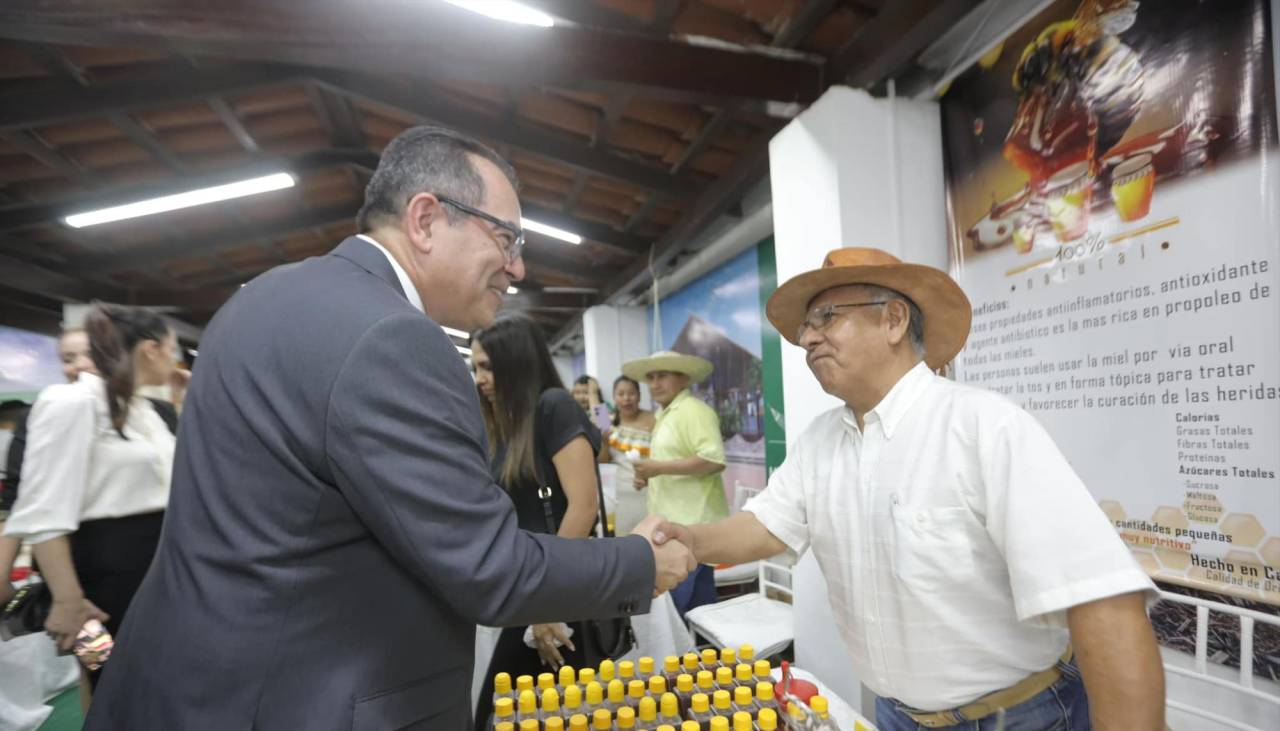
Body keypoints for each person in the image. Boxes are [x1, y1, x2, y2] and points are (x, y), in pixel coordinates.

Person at [84, 126, 694, 730]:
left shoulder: (259, 299)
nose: (518, 267)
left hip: (191, 682)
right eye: (507, 238)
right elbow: (489, 567)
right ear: (426, 219)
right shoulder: (393, 337)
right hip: (295, 700)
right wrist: (638, 563)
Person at [652, 248, 1165, 731]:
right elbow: (766, 525)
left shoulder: (984, 426)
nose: (807, 339)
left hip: (1018, 716)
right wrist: (691, 541)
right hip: (898, 715)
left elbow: (1100, 600)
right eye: (806, 326)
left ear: (894, 320)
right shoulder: (821, 441)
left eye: (826, 317)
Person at [2, 307, 180, 699]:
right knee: (104, 675)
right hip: (92, 576)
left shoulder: (146, 409)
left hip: (153, 569)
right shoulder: (70, 402)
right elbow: (42, 509)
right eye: (172, 348)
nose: (176, 357)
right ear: (151, 350)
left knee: (153, 679)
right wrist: (67, 600)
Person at [469, 313, 605, 728]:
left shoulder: (553, 406)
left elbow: (583, 506)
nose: (479, 379)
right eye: (475, 368)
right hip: (533, 593)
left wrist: (547, 604)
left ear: (516, 363)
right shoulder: (511, 425)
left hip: (559, 594)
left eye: (488, 367)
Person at [623, 351, 728, 618]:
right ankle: (699, 658)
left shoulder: (693, 411)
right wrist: (650, 474)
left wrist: (657, 468)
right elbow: (675, 460)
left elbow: (713, 459)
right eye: (651, 378)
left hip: (691, 525)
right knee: (697, 614)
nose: (655, 384)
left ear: (683, 379)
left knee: (678, 613)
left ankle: (688, 659)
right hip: (674, 525)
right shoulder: (666, 415)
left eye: (663, 376)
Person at [597, 375, 656, 535]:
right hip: (617, 495)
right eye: (621, 394)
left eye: (631, 393)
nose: (626, 398)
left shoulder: (654, 418)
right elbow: (602, 462)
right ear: (614, 397)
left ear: (639, 396)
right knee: (618, 539)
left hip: (647, 492)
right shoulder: (605, 418)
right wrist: (603, 441)